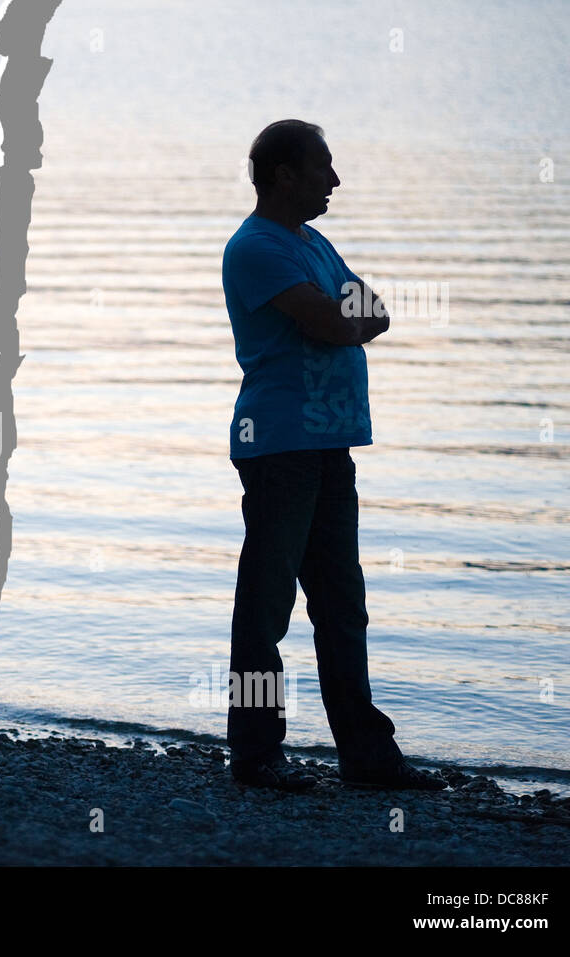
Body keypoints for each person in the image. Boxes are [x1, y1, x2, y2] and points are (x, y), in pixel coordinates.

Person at [220, 119, 445, 791]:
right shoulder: (257, 247)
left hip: (327, 443)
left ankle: (367, 755)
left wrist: (345, 320)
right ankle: (257, 755)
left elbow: (372, 310)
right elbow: (331, 320)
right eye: (323, 167)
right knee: (265, 610)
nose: (335, 180)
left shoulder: (310, 242)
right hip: (280, 443)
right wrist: (342, 321)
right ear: (285, 175)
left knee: (342, 602)